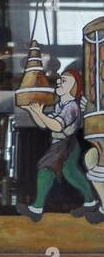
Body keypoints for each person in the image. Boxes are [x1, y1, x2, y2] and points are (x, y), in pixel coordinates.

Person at [16, 68, 98, 223]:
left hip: (65, 144)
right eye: (59, 80)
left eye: (64, 81)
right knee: (71, 173)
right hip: (65, 145)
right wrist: (33, 111)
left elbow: (57, 126)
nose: (59, 82)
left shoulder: (71, 107)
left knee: (46, 169)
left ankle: (37, 209)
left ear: (74, 88)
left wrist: (40, 114)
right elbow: (45, 124)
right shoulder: (62, 104)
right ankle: (91, 202)